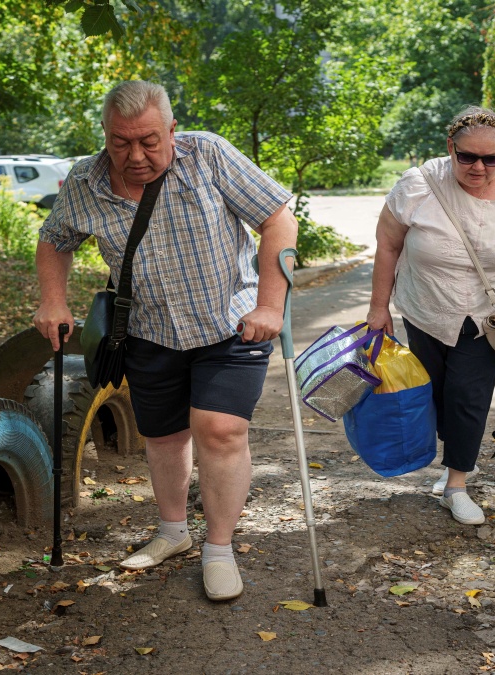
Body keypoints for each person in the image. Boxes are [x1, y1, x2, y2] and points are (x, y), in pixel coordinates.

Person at [34, 80, 298, 601]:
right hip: (148, 329)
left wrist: (270, 305)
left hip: (231, 322)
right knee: (163, 436)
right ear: (105, 136)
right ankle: (173, 531)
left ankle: (218, 549)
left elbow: (277, 218)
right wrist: (53, 298)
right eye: (120, 142)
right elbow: (54, 239)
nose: (135, 156)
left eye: (149, 141)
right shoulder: (86, 182)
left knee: (219, 429)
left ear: (172, 129)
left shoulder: (209, 155)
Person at [365, 106, 495, 525]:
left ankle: (456, 484)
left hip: (492, 314)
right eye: (467, 156)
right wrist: (378, 307)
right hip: (426, 306)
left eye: (491, 159)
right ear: (450, 147)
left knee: (467, 396)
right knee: (434, 393)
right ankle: (457, 456)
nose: (478, 167)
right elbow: (388, 244)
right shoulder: (418, 184)